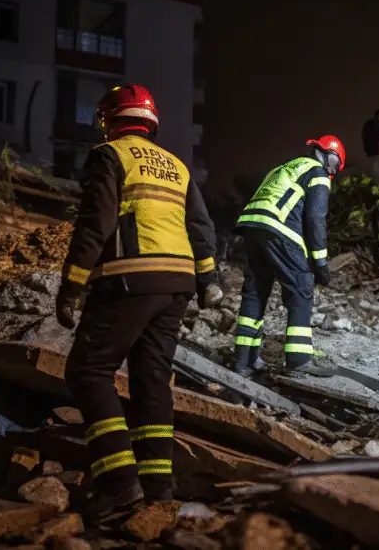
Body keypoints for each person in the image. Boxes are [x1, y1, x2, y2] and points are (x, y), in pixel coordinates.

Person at [54, 84, 223, 519]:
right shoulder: (176, 166)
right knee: (151, 381)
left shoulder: (109, 156)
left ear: (109, 120)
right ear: (150, 121)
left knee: (89, 372)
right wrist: (207, 280)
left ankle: (118, 484)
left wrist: (72, 285)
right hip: (178, 283)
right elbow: (201, 226)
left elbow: (96, 223)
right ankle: (157, 487)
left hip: (130, 278)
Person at [232, 135, 346, 378]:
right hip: (278, 227)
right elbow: (315, 219)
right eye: (336, 164)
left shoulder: (286, 166)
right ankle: (298, 360)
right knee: (301, 286)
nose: (334, 171)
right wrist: (320, 263)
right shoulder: (317, 173)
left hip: (252, 225)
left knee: (255, 291)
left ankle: (243, 361)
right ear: (328, 155)